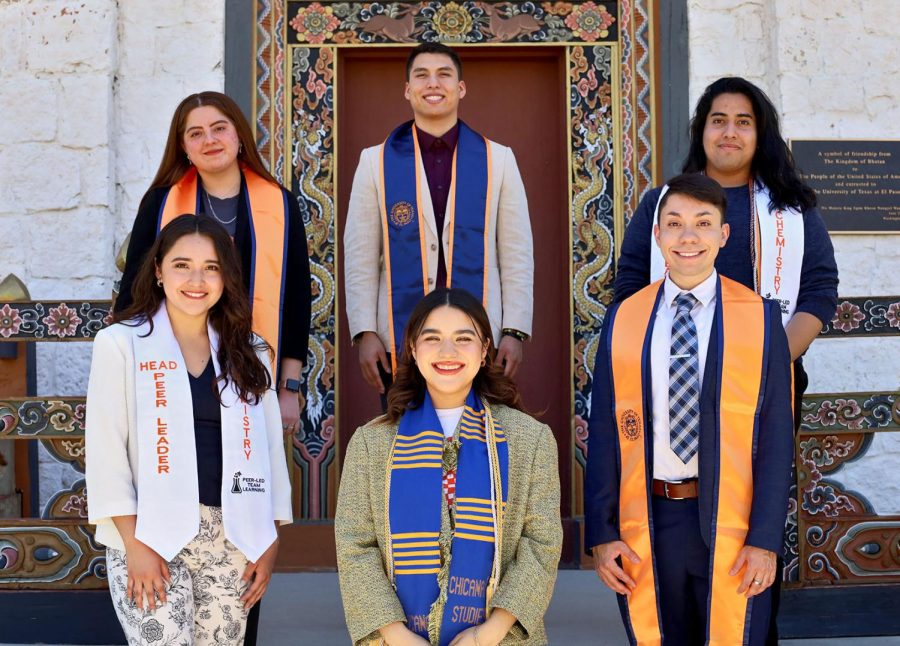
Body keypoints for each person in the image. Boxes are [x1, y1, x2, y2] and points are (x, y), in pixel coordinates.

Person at [613, 78, 838, 642]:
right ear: (702, 129)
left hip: (763, 388)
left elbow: (818, 289)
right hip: (672, 390)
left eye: (744, 120)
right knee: (681, 534)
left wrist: (767, 359)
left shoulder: (792, 210)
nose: (730, 131)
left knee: (753, 526)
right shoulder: (665, 204)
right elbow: (628, 286)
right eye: (718, 119)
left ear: (759, 133)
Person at [585, 174, 794, 645]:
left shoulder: (760, 318)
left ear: (723, 235)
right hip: (650, 517)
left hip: (732, 521)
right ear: (657, 235)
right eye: (674, 223)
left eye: (703, 223)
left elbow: (778, 439)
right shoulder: (625, 318)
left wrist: (764, 540)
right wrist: (601, 532)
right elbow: (603, 432)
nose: (688, 237)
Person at [86, 215, 292, 645]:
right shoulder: (121, 344)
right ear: (158, 271)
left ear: (225, 277)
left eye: (211, 267)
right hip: (149, 534)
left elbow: (272, 450)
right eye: (182, 265)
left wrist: (269, 541)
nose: (196, 279)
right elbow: (106, 452)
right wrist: (134, 545)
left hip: (234, 535)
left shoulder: (250, 351)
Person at [335, 288, 561, 646]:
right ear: (411, 347)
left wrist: (488, 633)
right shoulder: (370, 444)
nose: (447, 353)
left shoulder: (529, 440)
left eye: (463, 339)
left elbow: (541, 545)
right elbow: (355, 547)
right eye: (433, 338)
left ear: (485, 349)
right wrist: (397, 636)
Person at [344, 43, 534, 403]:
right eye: (422, 76)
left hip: (480, 336)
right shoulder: (375, 162)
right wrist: (365, 331)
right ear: (407, 90)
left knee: (479, 442)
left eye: (444, 75)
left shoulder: (498, 160)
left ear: (460, 88)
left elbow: (516, 253)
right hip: (400, 339)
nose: (433, 84)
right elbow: (360, 256)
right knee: (407, 445)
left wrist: (514, 331)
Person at [115, 90, 311, 438]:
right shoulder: (161, 203)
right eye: (195, 133)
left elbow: (296, 300)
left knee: (250, 479)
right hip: (176, 368)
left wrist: (289, 389)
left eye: (219, 128)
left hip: (254, 366)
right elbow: (136, 291)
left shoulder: (281, 204)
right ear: (184, 148)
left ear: (238, 135)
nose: (209, 140)